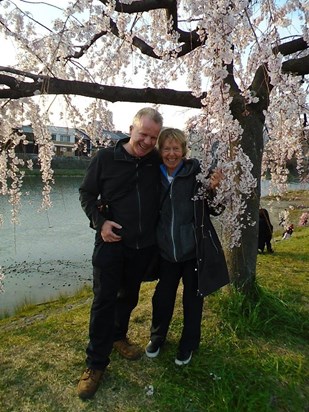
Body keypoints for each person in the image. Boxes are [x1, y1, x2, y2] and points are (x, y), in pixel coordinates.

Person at [77, 107, 163, 399]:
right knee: (103, 302)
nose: (148, 142)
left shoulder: (156, 160)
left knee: (128, 297)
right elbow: (86, 194)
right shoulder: (105, 158)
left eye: (154, 137)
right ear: (131, 129)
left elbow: (180, 169)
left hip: (143, 246)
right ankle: (95, 364)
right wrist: (99, 223)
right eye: (144, 134)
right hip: (111, 243)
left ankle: (118, 336)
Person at [145, 128, 229, 366]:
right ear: (160, 151)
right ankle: (157, 336)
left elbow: (215, 209)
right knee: (162, 297)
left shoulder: (197, 173)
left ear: (183, 151)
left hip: (193, 252)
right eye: (167, 149)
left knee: (193, 300)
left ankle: (188, 343)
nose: (171, 154)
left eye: (176, 149)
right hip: (165, 252)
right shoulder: (154, 175)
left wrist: (215, 188)